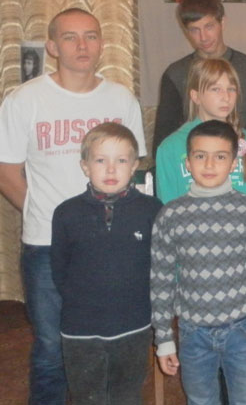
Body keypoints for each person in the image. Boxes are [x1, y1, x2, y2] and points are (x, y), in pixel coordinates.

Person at [0, 7, 146, 404]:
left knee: (112, 342)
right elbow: (7, 171)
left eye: (91, 36)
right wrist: (49, 216)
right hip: (47, 245)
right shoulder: (25, 100)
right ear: (52, 46)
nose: (82, 45)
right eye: (70, 37)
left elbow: (131, 169)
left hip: (111, 245)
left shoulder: (121, 99)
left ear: (102, 43)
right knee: (51, 345)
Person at [150, 120, 246, 405]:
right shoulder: (170, 215)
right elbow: (161, 279)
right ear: (188, 163)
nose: (209, 164)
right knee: (200, 400)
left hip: (243, 330)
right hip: (193, 333)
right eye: (200, 156)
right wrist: (164, 338)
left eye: (220, 156)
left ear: (233, 164)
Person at [50, 123, 162, 405]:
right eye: (101, 160)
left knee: (128, 395)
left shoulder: (152, 210)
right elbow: (59, 270)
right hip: (80, 329)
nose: (111, 169)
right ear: (85, 166)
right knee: (86, 397)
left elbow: (159, 267)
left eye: (121, 161)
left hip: (134, 325)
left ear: (134, 166)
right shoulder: (66, 213)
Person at [153, 0, 246, 169]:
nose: (203, 37)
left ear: (222, 23)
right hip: (194, 169)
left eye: (209, 26)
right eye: (194, 30)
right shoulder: (176, 73)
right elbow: (163, 136)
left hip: (240, 166)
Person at [155, 58, 246, 216]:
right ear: (196, 96)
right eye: (216, 89)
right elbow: (167, 210)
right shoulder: (171, 147)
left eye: (231, 89)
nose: (226, 97)